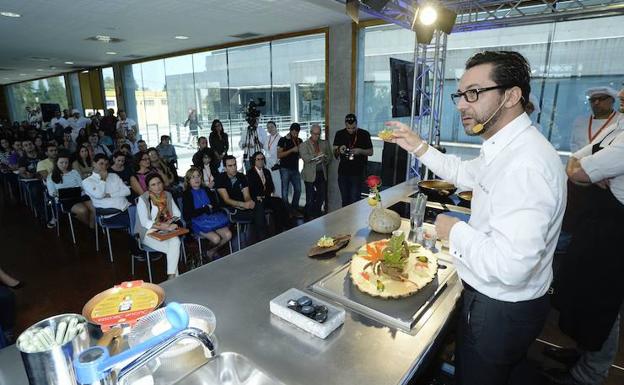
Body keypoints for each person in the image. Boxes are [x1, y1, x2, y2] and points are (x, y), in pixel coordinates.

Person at [388, 50, 566, 385]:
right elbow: (463, 172)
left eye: (474, 93)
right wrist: (417, 145)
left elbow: (512, 267)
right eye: (460, 94)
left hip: (499, 309)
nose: (461, 105)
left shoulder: (524, 165)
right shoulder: (508, 148)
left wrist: (453, 229)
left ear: (511, 96)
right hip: (510, 306)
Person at [543, 117, 624, 385]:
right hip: (597, 226)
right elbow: (574, 160)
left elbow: (578, 171)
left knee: (603, 306)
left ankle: (590, 374)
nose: (622, 93)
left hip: (615, 232)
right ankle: (581, 354)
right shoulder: (619, 126)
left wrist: (586, 172)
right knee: (584, 296)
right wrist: (587, 170)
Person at [135, 173, 183, 280]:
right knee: (174, 247)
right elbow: (145, 222)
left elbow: (177, 214)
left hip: (166, 230)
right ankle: (174, 278)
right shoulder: (142, 199)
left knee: (175, 242)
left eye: (159, 183)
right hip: (148, 232)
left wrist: (169, 222)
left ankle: (171, 277)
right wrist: (163, 227)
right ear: (148, 187)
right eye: (153, 185)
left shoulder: (167, 195)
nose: (157, 187)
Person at [182, 167, 232, 260]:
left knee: (228, 235)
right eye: (193, 177)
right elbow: (188, 214)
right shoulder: (186, 194)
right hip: (198, 221)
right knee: (216, 239)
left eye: (198, 176)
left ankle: (211, 251)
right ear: (188, 180)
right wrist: (205, 209)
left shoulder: (207, 190)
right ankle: (207, 250)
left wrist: (209, 209)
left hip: (213, 218)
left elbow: (216, 206)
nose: (196, 179)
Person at [216, 155, 266, 242]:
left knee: (258, 206)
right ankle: (261, 240)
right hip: (230, 209)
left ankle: (260, 240)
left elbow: (246, 195)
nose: (234, 168)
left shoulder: (241, 176)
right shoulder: (220, 178)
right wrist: (243, 204)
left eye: (235, 165)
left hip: (243, 206)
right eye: (230, 166)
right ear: (225, 168)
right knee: (258, 215)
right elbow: (226, 199)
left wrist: (249, 202)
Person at [333, 113, 373, 207]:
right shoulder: (339, 134)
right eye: (348, 128)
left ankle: (354, 221)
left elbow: (371, 152)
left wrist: (360, 151)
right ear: (345, 124)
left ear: (356, 124)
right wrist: (339, 149)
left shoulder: (364, 134)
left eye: (353, 128)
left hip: (357, 173)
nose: (351, 130)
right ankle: (345, 221)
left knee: (355, 200)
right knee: (345, 200)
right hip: (343, 172)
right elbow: (334, 153)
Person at [246, 151, 290, 234]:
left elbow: (271, 186)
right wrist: (258, 196)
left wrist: (266, 193)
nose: (260, 161)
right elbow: (250, 189)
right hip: (256, 198)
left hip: (266, 197)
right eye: (258, 159)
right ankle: (263, 232)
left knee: (279, 201)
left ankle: (283, 227)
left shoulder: (266, 171)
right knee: (261, 205)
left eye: (262, 159)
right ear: (254, 161)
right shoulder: (250, 173)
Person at [47, 151, 95, 227]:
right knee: (83, 211)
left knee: (94, 209)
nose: (64, 165)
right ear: (56, 163)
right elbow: (51, 192)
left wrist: (80, 189)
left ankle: (92, 228)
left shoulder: (74, 172)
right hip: (65, 200)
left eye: (66, 163)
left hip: (80, 195)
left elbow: (81, 186)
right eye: (61, 163)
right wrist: (59, 193)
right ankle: (89, 226)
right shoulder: (51, 176)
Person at [569, 87, 621, 153]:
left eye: (601, 99)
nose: (596, 102)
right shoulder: (580, 122)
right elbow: (574, 144)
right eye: (593, 100)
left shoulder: (621, 120)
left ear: (612, 101)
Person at [300, 124, 332, 219]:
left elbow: (330, 157)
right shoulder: (304, 145)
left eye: (318, 134)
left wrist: (324, 159)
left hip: (321, 173)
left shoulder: (324, 143)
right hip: (309, 174)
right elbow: (305, 158)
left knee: (321, 197)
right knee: (309, 198)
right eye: (315, 134)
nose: (317, 136)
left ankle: (317, 215)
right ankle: (308, 217)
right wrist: (316, 155)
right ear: (310, 133)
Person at [277, 123, 303, 215]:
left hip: (295, 169)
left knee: (298, 189)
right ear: (291, 131)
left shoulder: (299, 140)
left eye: (297, 133)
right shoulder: (283, 140)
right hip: (285, 169)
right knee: (285, 192)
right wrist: (292, 150)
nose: (296, 134)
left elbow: (300, 155)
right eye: (294, 132)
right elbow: (279, 155)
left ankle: (294, 209)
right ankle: (286, 211)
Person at [260, 120, 281, 198]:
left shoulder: (280, 138)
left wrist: (276, 163)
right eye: (268, 127)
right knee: (268, 185)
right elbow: (265, 149)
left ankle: (279, 202)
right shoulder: (267, 138)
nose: (270, 129)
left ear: (276, 127)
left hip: (275, 165)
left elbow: (279, 154)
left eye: (272, 127)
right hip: (266, 165)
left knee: (277, 185)